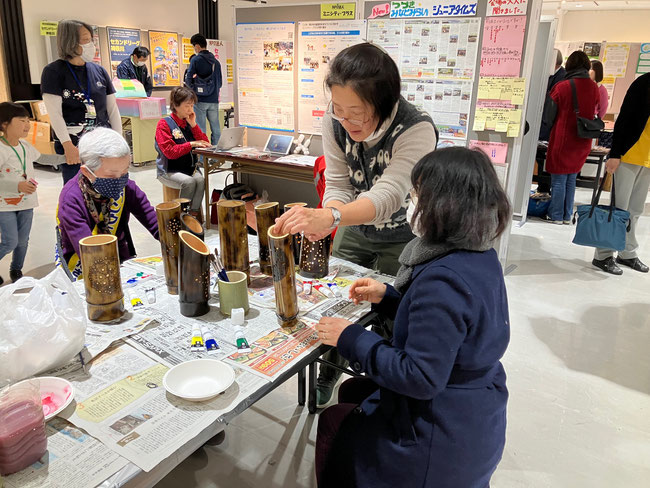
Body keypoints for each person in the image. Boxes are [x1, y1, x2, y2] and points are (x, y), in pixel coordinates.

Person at [314, 147, 511, 488]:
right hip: (476, 407)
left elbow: (419, 376)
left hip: (439, 434)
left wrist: (350, 337)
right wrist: (389, 298)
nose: (412, 203)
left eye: (417, 195)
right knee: (354, 389)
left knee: (334, 419)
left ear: (444, 205)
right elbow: (449, 328)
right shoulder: (480, 254)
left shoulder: (444, 279)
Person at [274, 43, 438, 406]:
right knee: (338, 301)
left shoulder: (416, 128)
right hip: (353, 228)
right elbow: (337, 183)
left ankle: (389, 387)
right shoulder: (335, 120)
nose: (346, 122)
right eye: (339, 110)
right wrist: (327, 217)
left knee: (397, 311)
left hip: (403, 237)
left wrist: (331, 217)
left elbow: (389, 195)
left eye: (357, 114)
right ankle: (330, 372)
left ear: (384, 103)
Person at [56, 128, 159, 280]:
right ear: (87, 172)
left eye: (124, 172)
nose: (119, 181)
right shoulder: (71, 199)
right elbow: (90, 255)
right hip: (84, 268)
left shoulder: (127, 188)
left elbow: (154, 222)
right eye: (111, 175)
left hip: (120, 259)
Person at [41, 20, 122, 185]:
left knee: (107, 190)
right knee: (78, 193)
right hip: (75, 146)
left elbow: (112, 110)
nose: (90, 44)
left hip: (103, 144)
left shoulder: (99, 71)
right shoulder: (53, 72)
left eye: (91, 39)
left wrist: (118, 141)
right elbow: (55, 114)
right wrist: (67, 145)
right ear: (70, 42)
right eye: (85, 40)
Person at [592, 72, 650, 275]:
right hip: (628, 155)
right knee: (618, 209)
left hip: (648, 159)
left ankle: (628, 253)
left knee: (635, 210)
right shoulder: (643, 83)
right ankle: (603, 255)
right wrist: (615, 153)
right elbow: (624, 118)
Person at [544, 50, 599, 224]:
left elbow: (549, 116)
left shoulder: (562, 86)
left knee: (559, 178)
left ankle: (556, 215)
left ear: (569, 66)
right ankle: (567, 215)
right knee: (571, 179)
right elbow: (595, 108)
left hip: (563, 137)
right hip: (583, 139)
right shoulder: (593, 87)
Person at [0, 103, 40, 285]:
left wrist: (69, 157)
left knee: (23, 241)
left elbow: (43, 158)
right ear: (4, 124)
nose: (27, 124)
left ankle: (16, 269)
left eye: (28, 120)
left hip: (27, 202)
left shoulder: (25, 145)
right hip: (4, 204)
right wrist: (17, 185)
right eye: (22, 120)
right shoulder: (1, 149)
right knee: (10, 241)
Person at [155, 87, 211, 216]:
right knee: (189, 182)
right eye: (187, 106)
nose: (191, 110)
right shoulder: (164, 124)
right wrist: (190, 144)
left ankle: (193, 214)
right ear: (175, 105)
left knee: (201, 180)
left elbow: (205, 143)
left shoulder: (188, 123)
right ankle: (181, 215)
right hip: (169, 171)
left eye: (192, 105)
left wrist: (194, 125)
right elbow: (170, 152)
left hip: (189, 169)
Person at [536, 49, 567, 196]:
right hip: (543, 123)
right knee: (540, 158)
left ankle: (544, 190)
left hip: (551, 126)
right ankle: (542, 189)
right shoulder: (549, 75)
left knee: (547, 161)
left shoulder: (562, 78)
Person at [185, 34, 222, 145]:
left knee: (201, 129)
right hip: (214, 100)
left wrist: (194, 92)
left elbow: (188, 79)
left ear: (197, 46)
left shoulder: (195, 60)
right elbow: (220, 82)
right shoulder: (216, 62)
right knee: (216, 129)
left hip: (200, 99)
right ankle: (216, 156)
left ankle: (202, 158)